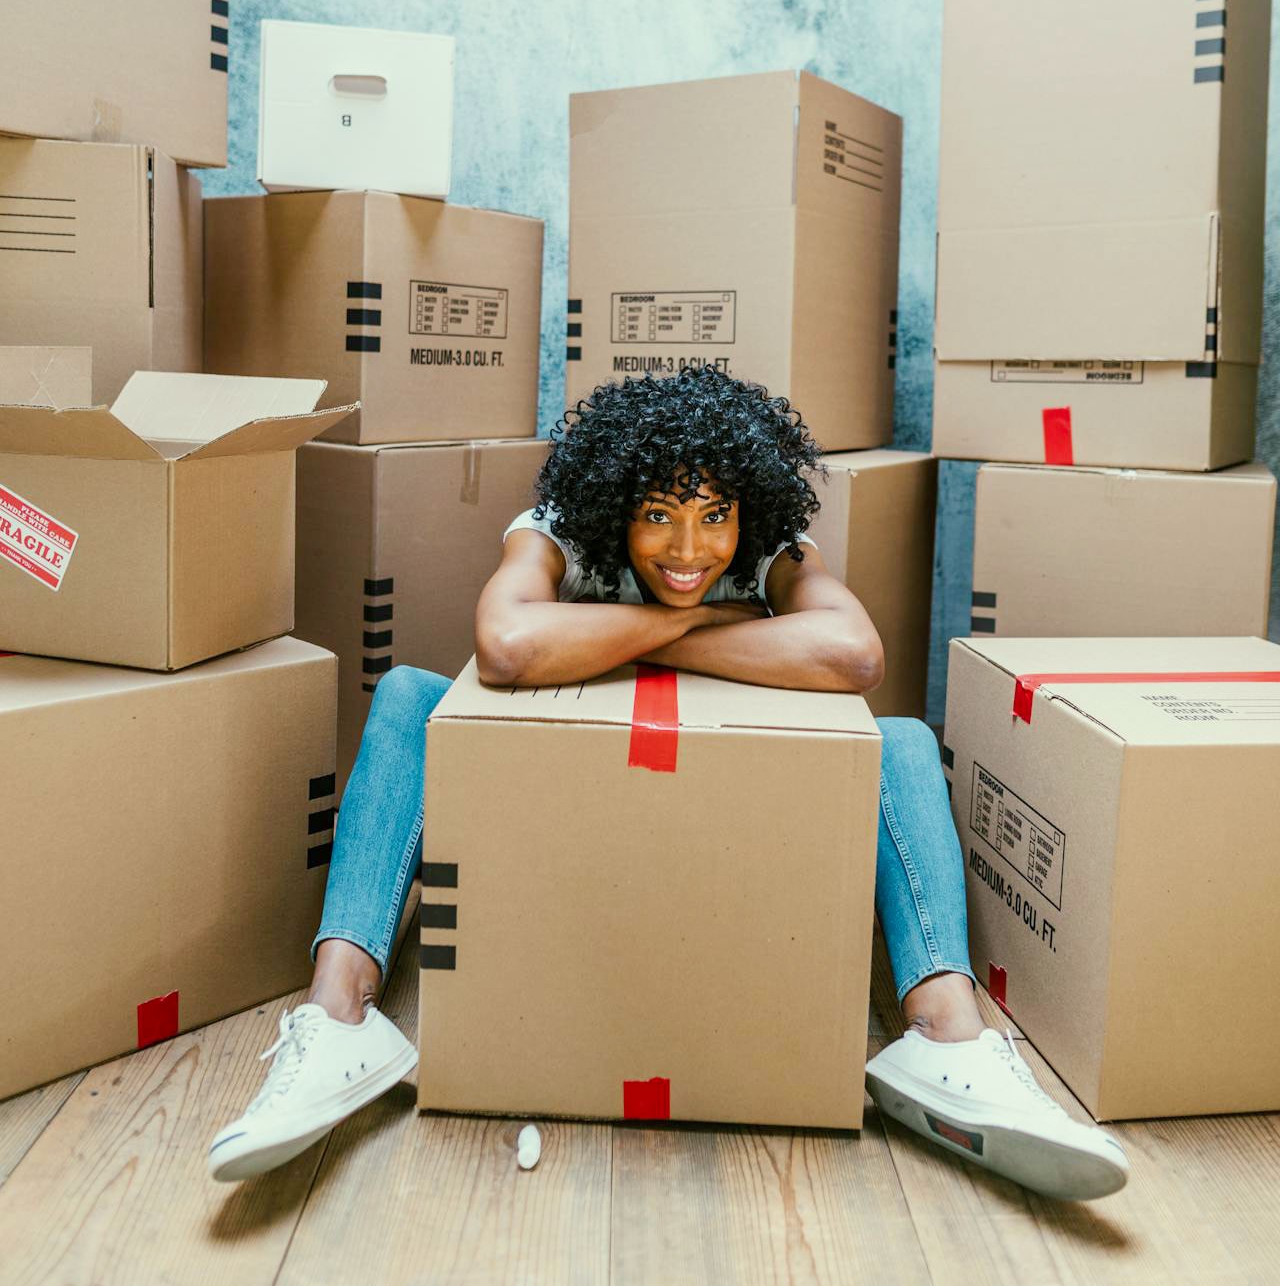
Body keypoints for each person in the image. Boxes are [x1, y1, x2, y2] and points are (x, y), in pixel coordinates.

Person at [209, 367, 1128, 1201]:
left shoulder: (772, 544)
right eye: (657, 515)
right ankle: (338, 1020)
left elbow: (854, 653)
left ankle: (947, 1039)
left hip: (724, 827)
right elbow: (508, 646)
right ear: (615, 505)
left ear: (746, 510)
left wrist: (650, 628)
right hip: (563, 814)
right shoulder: (556, 529)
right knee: (409, 695)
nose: (690, 549)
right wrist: (697, 622)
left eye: (713, 516)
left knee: (897, 739)